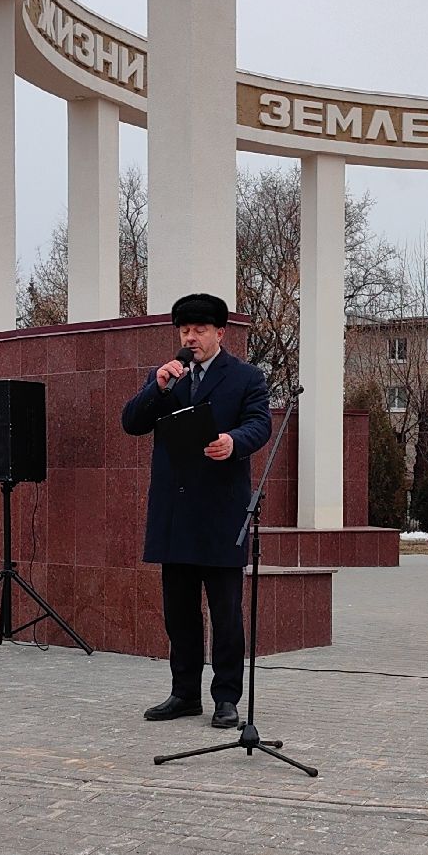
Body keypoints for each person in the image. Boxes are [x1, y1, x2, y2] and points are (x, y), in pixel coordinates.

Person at [121, 293, 272, 727]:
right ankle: (184, 693)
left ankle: (226, 698)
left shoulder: (245, 377)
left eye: (200, 330)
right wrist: (156, 386)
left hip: (221, 514)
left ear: (220, 333)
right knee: (180, 614)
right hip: (175, 515)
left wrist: (233, 441)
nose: (191, 338)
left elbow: (259, 424)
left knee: (225, 614)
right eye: (184, 330)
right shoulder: (168, 377)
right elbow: (132, 423)